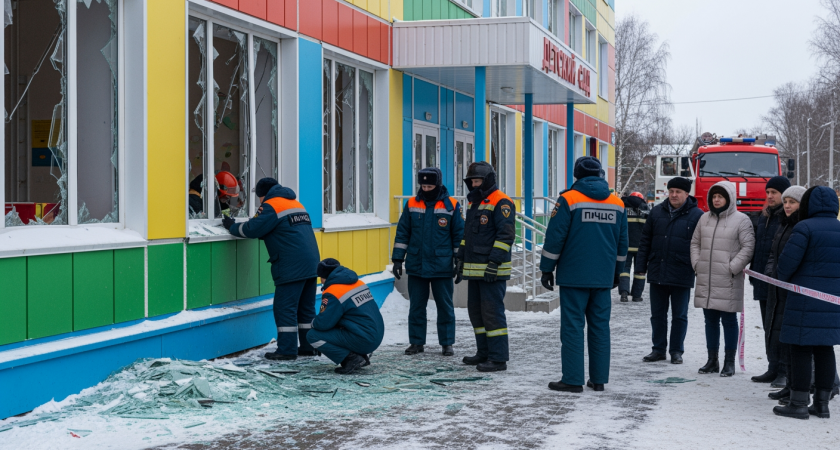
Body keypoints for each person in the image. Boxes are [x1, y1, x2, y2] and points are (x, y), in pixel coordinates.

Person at [539, 156, 628, 393]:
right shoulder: (617, 203)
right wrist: (618, 273)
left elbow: (555, 237)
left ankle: (572, 379)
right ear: (600, 175)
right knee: (600, 327)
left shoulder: (569, 199)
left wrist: (547, 268)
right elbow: (622, 244)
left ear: (576, 175)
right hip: (603, 276)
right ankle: (598, 380)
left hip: (574, 275)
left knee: (572, 327)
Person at [223, 178, 321, 360]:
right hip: (311, 263)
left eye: (259, 198)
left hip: (291, 265)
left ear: (263, 195)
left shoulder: (271, 205)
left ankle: (287, 350)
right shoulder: (296, 203)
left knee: (285, 308)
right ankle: (310, 347)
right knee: (306, 307)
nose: (259, 202)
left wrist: (232, 226)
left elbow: (252, 229)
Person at [773, 186, 840, 420]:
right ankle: (822, 405)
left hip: (804, 300)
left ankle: (799, 403)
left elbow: (786, 265)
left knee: (800, 348)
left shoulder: (804, 227)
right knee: (825, 349)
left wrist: (784, 278)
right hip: (833, 302)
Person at [392, 167, 465, 357]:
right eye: (423, 186)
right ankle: (416, 342)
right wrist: (398, 259)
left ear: (438, 185)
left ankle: (447, 343)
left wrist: (459, 261)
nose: (426, 189)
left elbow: (459, 236)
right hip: (417, 264)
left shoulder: (451, 205)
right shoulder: (411, 204)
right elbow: (403, 232)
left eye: (429, 186)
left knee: (445, 307)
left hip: (442, 266)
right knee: (416, 306)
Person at [635, 177, 703, 364]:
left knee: (679, 316)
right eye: (671, 191)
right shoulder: (656, 212)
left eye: (678, 192)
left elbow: (701, 246)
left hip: (682, 271)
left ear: (687, 194)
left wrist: (699, 269)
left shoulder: (697, 215)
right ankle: (658, 349)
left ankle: (676, 351)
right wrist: (640, 267)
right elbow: (645, 241)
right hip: (658, 270)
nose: (673, 195)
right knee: (657, 315)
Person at [690, 181, 755, 377]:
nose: (716, 200)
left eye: (720, 196)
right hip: (706, 278)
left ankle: (729, 362)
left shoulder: (742, 220)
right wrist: (697, 264)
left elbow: (748, 247)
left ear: (729, 198)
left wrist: (732, 267)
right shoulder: (704, 219)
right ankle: (712, 360)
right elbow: (695, 243)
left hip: (728, 279)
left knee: (729, 320)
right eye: (714, 197)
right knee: (710, 321)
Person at [457, 161, 515, 373]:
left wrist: (494, 263)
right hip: (475, 270)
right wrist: (460, 258)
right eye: (472, 181)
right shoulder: (475, 202)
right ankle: (483, 352)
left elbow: (505, 236)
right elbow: (468, 236)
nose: (474, 185)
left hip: (492, 271)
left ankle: (498, 358)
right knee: (477, 314)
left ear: (488, 180)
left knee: (492, 314)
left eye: (478, 181)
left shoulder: (502, 201)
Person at [306, 259, 385, 375]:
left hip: (365, 339)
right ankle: (358, 355)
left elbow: (324, 323)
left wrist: (313, 323)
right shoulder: (358, 283)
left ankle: (352, 359)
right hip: (376, 334)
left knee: (313, 335)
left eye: (321, 277)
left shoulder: (333, 292)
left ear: (324, 276)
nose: (321, 281)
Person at [763, 185, 805, 402]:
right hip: (777, 286)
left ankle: (791, 378)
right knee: (777, 330)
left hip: (793, 289)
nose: (787, 206)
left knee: (794, 338)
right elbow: (773, 253)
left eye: (792, 202)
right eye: (786, 202)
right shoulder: (783, 223)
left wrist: (784, 277)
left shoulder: (802, 226)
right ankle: (783, 376)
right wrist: (771, 273)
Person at [749, 175, 791, 385]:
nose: (770, 196)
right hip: (762, 280)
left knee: (780, 327)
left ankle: (784, 370)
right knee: (768, 327)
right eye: (768, 192)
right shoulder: (763, 217)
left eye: (774, 192)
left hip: (779, 283)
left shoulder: (788, 218)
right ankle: (772, 367)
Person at [619, 191, 648, 303]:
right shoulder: (645, 208)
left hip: (625, 245)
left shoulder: (623, 207)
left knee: (624, 270)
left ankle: (624, 293)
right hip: (641, 247)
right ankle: (636, 296)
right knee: (640, 272)